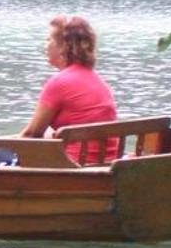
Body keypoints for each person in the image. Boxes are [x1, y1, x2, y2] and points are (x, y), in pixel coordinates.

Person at [20, 14, 116, 163]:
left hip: (71, 168)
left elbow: (31, 134)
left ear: (64, 46)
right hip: (105, 164)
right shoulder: (100, 82)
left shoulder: (59, 83)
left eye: (49, 40)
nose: (45, 45)